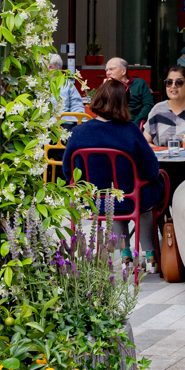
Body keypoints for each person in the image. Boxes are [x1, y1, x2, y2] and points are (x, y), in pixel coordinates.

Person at [64, 79, 165, 259]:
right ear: (124, 103)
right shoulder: (131, 131)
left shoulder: (78, 132)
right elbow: (150, 170)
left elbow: (67, 171)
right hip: (130, 200)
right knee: (144, 193)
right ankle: (150, 254)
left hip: (93, 202)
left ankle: (125, 252)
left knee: (113, 196)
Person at [146, 65, 185, 146]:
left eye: (179, 83)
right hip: (163, 158)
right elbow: (145, 143)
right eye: (169, 82)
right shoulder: (158, 109)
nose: (173, 86)